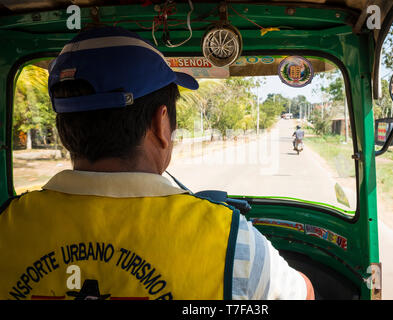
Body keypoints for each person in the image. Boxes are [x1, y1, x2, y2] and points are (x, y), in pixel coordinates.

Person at [0, 26, 314, 300]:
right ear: (161, 124)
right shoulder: (232, 240)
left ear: (62, 130)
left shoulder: (7, 224)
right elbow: (303, 294)